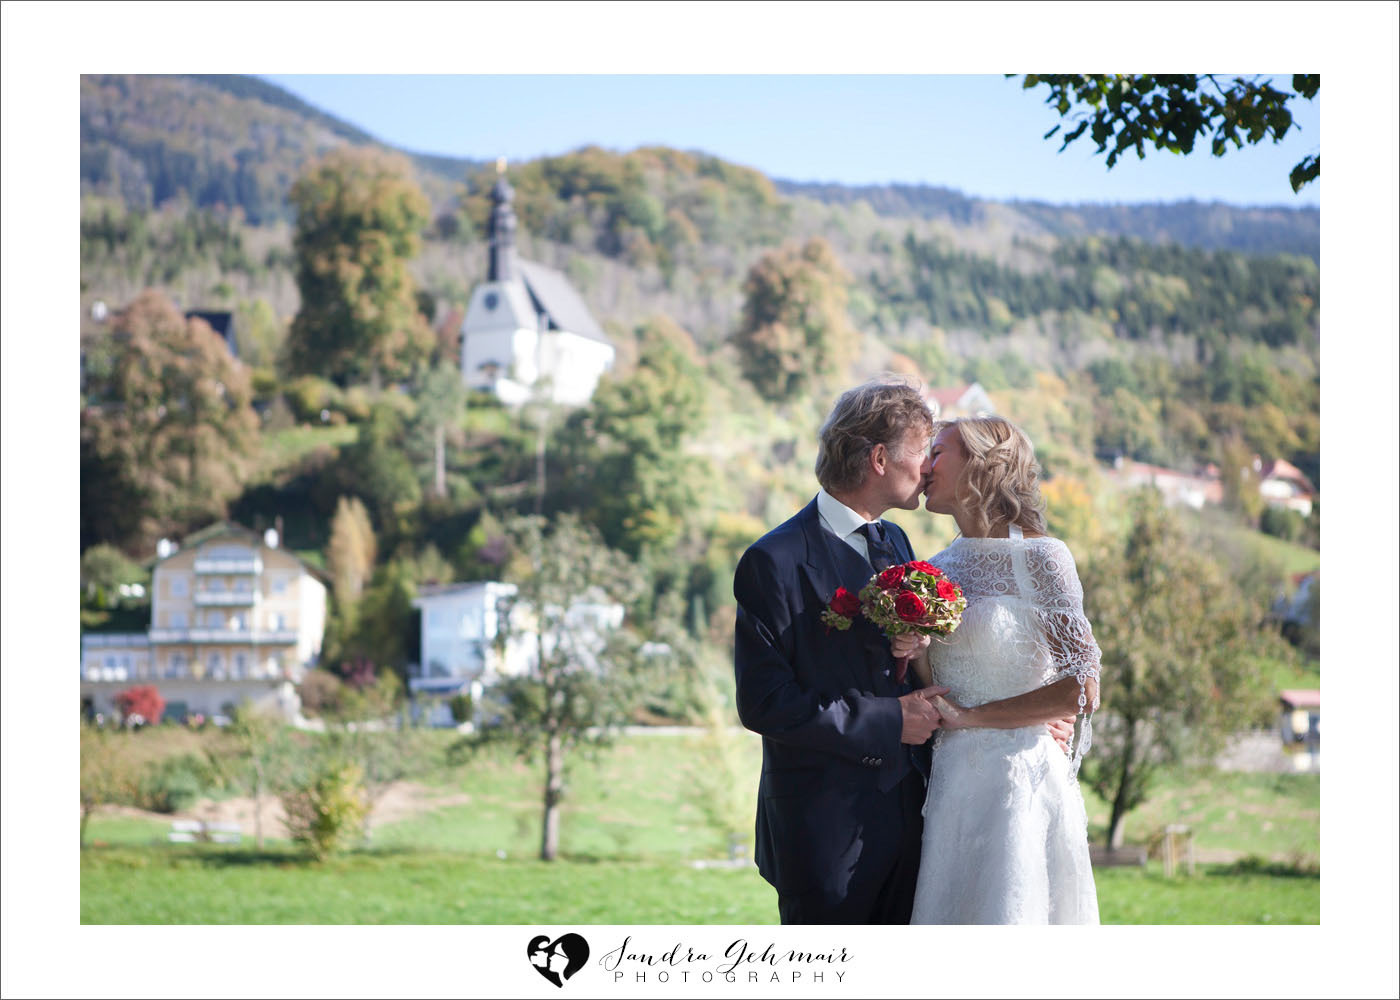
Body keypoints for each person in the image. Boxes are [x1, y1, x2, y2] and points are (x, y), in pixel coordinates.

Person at [732, 379, 946, 925]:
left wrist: (915, 644)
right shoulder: (773, 561)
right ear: (879, 458)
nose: (927, 469)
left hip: (910, 816)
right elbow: (764, 703)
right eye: (921, 453)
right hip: (823, 831)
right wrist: (889, 720)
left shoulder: (895, 542)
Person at [905, 415, 1102, 925]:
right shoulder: (935, 569)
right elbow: (936, 689)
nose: (925, 466)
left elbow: (1083, 687)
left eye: (939, 452)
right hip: (950, 787)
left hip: (1021, 785)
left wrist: (975, 718)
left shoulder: (1041, 558)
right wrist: (913, 647)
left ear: (981, 463)